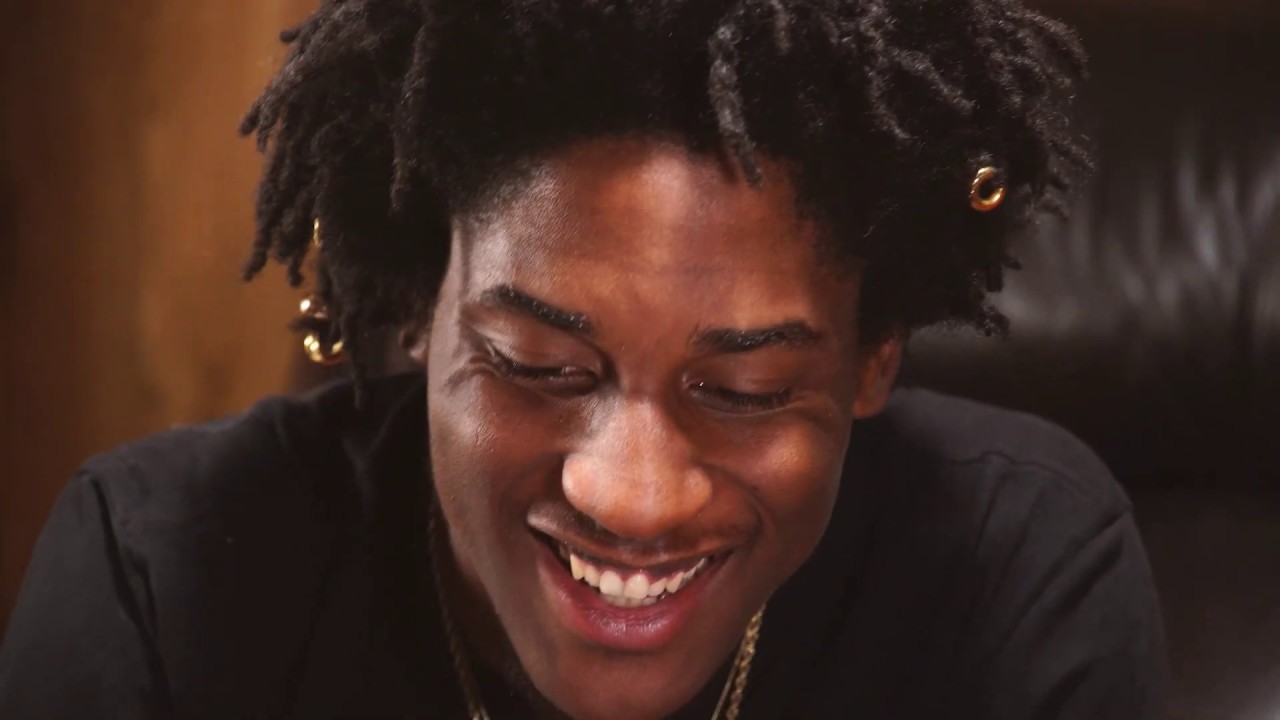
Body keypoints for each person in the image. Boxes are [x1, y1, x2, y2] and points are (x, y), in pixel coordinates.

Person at [0, 1, 1167, 718]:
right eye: (538, 367)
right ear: (420, 314)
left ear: (873, 359)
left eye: (745, 391)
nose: (631, 496)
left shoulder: (1015, 573)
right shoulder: (160, 578)